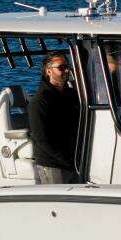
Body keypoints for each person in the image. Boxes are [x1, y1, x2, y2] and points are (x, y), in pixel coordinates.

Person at [28, 51, 82, 183]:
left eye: (67, 67)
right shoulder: (39, 101)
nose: (66, 71)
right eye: (61, 68)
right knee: (57, 197)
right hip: (53, 165)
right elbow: (42, 139)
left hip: (75, 161)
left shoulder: (72, 95)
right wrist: (68, 160)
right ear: (48, 71)